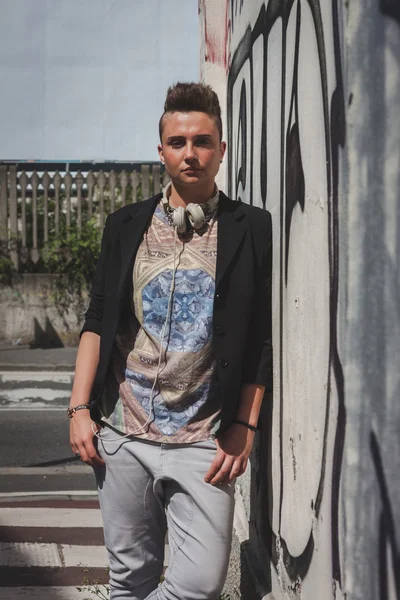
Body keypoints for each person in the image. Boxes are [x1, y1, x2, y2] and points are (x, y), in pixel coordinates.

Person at [69, 82, 272, 600]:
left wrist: (244, 425)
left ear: (221, 150)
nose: (191, 153)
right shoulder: (126, 224)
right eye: (178, 142)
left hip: (205, 440)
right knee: (129, 579)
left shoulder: (252, 228)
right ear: (161, 150)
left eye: (202, 141)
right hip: (124, 434)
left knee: (198, 585)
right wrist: (78, 409)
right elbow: (97, 319)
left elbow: (260, 340)